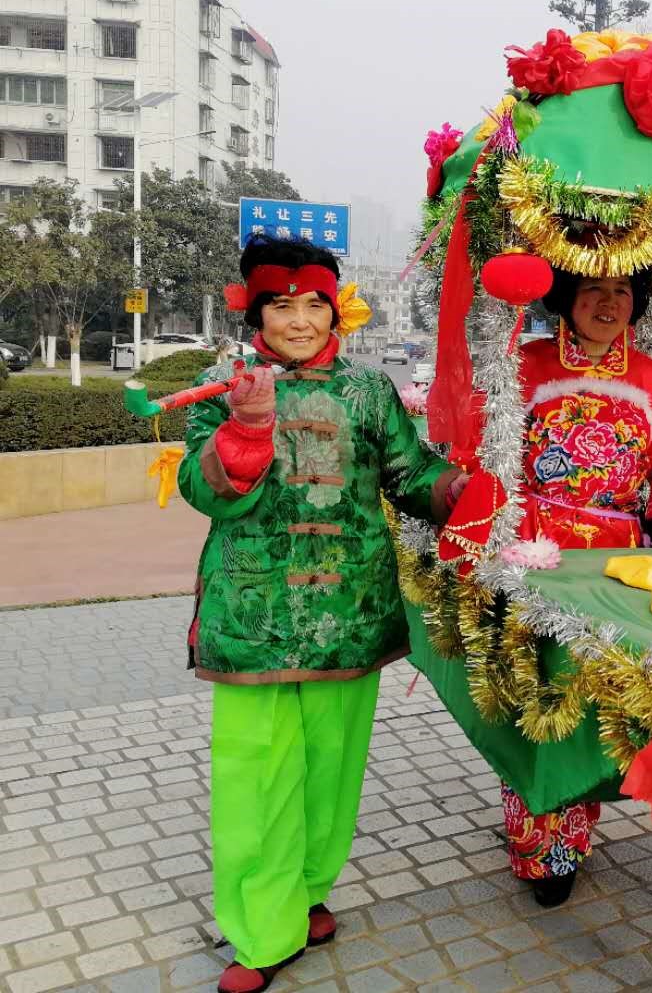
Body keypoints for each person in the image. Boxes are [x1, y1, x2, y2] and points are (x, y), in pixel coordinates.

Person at [178, 237, 467, 993]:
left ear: (335, 307)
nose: (300, 320)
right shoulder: (220, 382)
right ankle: (260, 930)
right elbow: (204, 491)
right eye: (282, 304)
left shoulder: (370, 391)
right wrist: (244, 429)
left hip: (351, 611)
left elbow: (412, 475)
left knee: (332, 770)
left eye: (314, 303)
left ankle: (307, 892)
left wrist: (468, 491)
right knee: (257, 778)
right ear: (255, 309)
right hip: (254, 615)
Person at [503, 266, 652, 906]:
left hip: (616, 563)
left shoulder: (650, 378)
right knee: (540, 696)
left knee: (595, 702)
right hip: (539, 554)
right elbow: (492, 452)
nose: (608, 304)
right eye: (593, 291)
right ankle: (539, 843)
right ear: (566, 297)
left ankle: (576, 825)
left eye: (622, 293)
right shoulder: (524, 364)